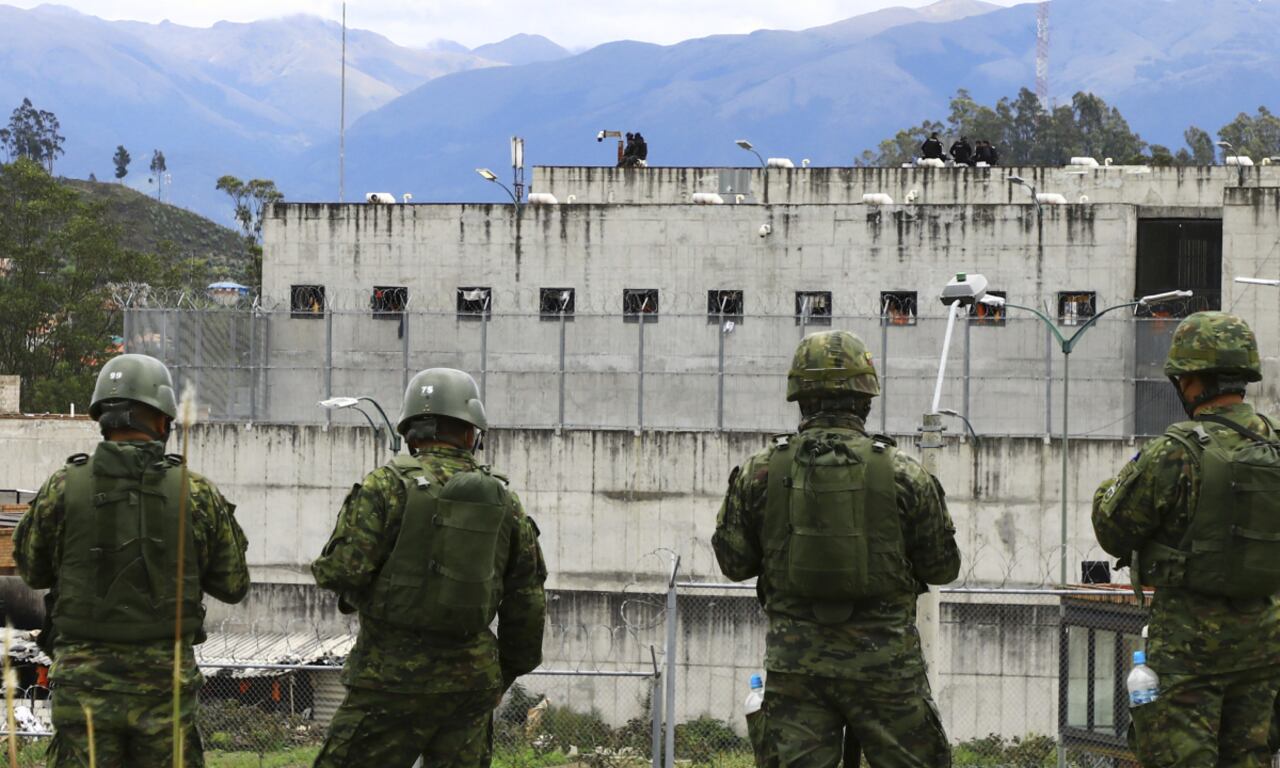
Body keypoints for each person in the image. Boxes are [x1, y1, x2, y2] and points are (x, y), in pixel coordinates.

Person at [713, 330, 960, 768]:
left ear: (800, 397)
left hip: (796, 670)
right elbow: (942, 567)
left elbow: (733, 563)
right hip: (886, 667)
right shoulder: (904, 474)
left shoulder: (761, 472)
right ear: (866, 398)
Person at [14, 353, 250, 768]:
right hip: (164, 693)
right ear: (161, 420)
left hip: (83, 691)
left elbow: (32, 572)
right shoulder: (195, 494)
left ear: (103, 416)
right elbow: (232, 585)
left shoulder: (63, 488)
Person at [312, 368, 547, 768]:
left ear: (408, 432)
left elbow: (340, 571)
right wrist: (502, 673)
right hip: (470, 683)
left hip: (387, 681)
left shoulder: (385, 486)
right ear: (472, 433)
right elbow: (527, 599)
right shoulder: (505, 502)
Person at [1092, 311, 1280, 767]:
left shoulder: (1176, 452)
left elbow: (1112, 530)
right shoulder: (1275, 447)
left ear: (1192, 382)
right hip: (1263, 648)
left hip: (1187, 655)